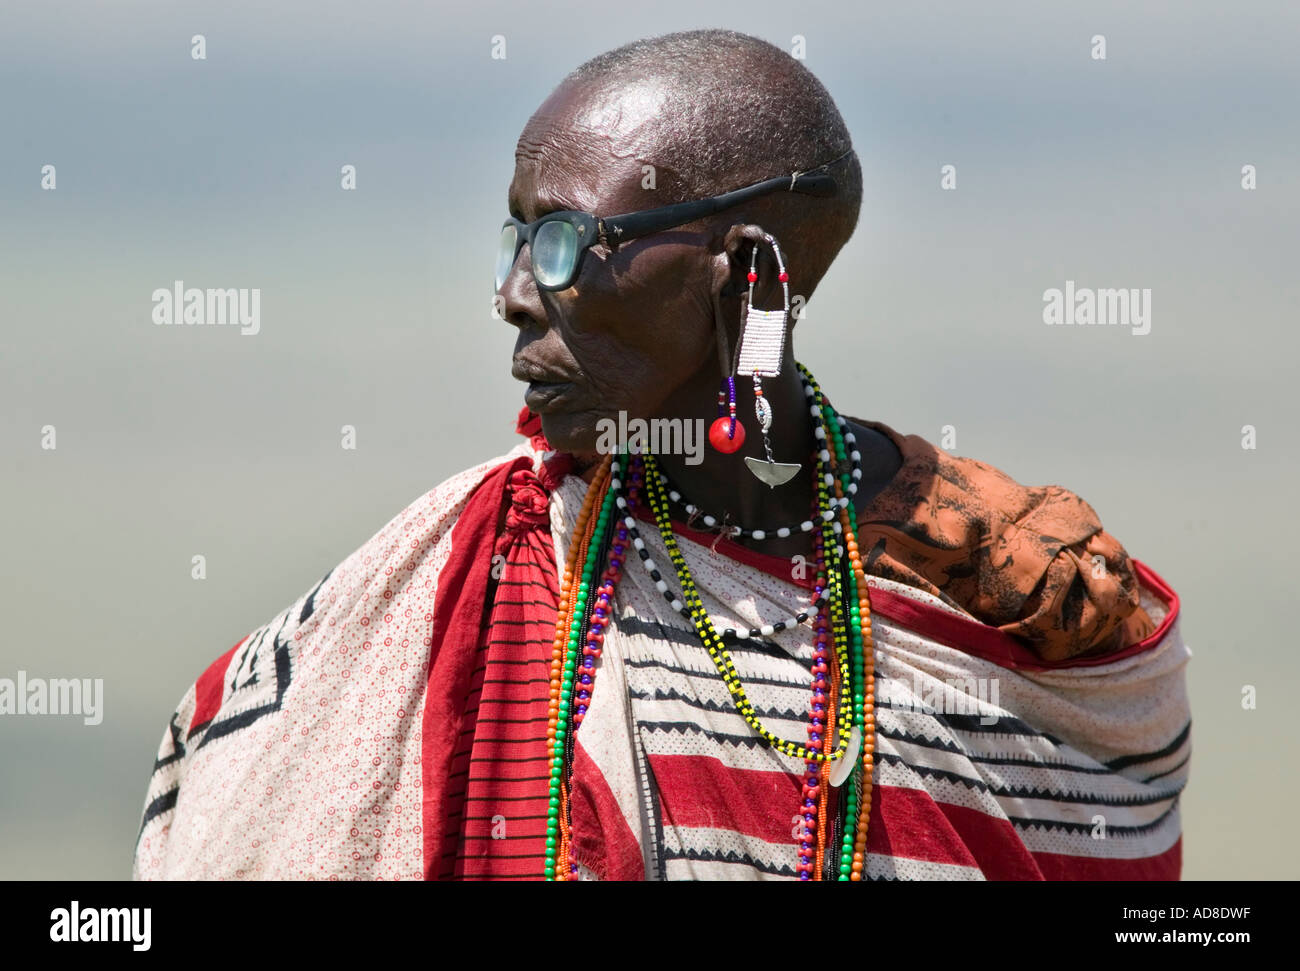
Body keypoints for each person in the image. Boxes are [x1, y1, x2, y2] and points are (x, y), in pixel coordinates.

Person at [133, 30, 1190, 881]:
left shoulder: (1011, 597)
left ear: (750, 278)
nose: (509, 295)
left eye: (564, 245)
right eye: (513, 239)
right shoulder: (469, 562)